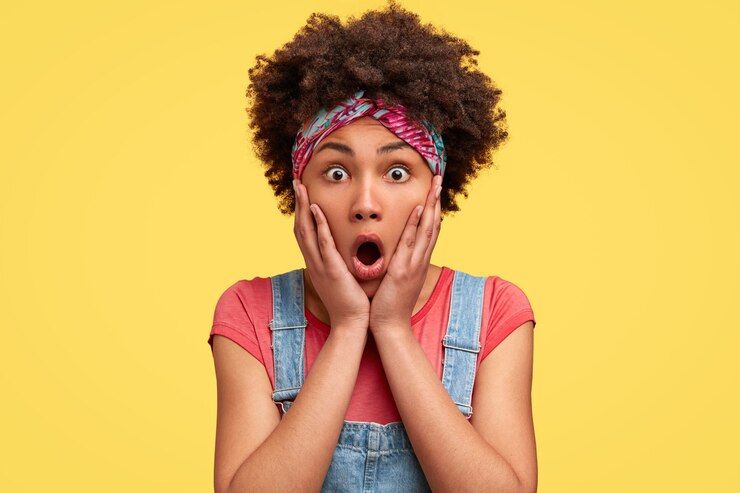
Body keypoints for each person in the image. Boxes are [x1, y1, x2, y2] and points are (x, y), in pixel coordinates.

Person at [208, 2, 537, 491]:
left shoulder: (495, 312)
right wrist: (346, 329)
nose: (365, 204)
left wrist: (392, 328)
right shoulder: (248, 312)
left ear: (436, 191)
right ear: (300, 189)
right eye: (336, 173)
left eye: (397, 172)